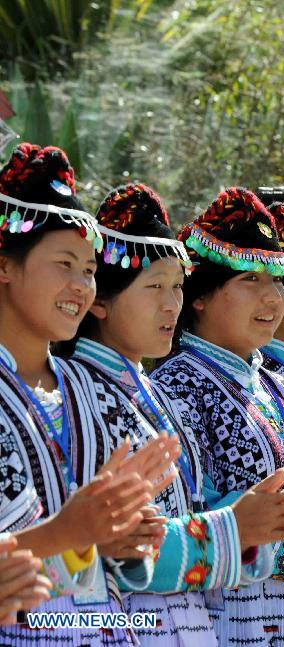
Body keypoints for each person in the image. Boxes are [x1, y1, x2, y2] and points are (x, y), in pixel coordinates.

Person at [58, 183, 284, 645]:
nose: (171, 305)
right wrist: (236, 526)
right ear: (99, 301)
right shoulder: (81, 392)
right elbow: (109, 551)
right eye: (154, 288)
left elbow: (181, 515)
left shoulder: (145, 391)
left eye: (177, 287)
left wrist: (250, 522)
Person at [0, 143, 180, 646]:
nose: (81, 285)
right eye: (64, 264)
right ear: (5, 266)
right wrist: (67, 533)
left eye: (88, 270)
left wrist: (127, 538)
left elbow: (118, 549)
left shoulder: (86, 388)